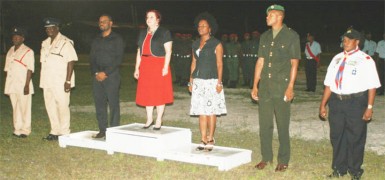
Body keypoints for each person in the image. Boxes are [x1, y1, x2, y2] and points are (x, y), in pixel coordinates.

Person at [319, 29, 381, 179]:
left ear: (357, 42)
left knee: (355, 137)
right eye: (344, 39)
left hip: (356, 102)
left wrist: (369, 107)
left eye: (349, 39)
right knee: (337, 136)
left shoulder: (365, 60)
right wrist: (323, 104)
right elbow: (329, 84)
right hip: (336, 101)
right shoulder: (336, 59)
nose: (345, 41)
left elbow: (372, 85)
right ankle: (339, 169)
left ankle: (355, 170)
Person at [250, 4, 301, 172]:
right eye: (267, 15)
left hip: (282, 87)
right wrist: (255, 84)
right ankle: (266, 157)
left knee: (282, 125)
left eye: (270, 15)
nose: (266, 17)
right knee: (265, 125)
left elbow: (294, 63)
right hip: (265, 87)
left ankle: (283, 159)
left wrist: (290, 87)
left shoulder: (291, 36)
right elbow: (261, 62)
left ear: (280, 16)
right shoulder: (264, 36)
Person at [189, 12, 227, 151]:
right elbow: (193, 62)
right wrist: (191, 81)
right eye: (199, 26)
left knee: (211, 111)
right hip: (198, 81)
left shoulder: (216, 44)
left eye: (204, 26)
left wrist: (219, 82)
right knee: (201, 111)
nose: (201, 28)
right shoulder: (194, 43)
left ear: (210, 28)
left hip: (212, 80)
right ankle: (203, 138)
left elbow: (219, 64)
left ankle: (211, 138)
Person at [134, 9, 173, 130]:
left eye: (151, 17)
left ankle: (159, 119)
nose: (148, 19)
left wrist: (165, 67)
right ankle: (149, 118)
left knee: (159, 94)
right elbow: (139, 51)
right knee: (147, 94)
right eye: (147, 17)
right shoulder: (142, 33)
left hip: (158, 64)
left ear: (157, 19)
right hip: (145, 65)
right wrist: (137, 68)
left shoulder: (164, 32)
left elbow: (168, 51)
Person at [40, 18, 78, 141]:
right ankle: (54, 131)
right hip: (47, 80)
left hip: (61, 81)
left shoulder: (65, 42)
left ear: (57, 28)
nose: (49, 30)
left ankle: (64, 132)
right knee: (50, 106)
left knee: (62, 106)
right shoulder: (44, 43)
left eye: (51, 27)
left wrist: (68, 81)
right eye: (47, 28)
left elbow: (71, 61)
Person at [90, 14, 125, 139]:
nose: (101, 23)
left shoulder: (117, 39)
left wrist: (105, 73)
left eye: (104, 21)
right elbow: (92, 59)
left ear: (111, 23)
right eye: (100, 22)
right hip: (97, 77)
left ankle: (114, 130)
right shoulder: (96, 39)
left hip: (111, 76)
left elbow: (118, 59)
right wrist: (96, 73)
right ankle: (102, 130)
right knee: (99, 104)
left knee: (113, 104)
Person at [4, 27, 34, 138]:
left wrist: (27, 85)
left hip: (23, 84)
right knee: (15, 106)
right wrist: (7, 85)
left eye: (18, 36)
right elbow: (7, 69)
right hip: (12, 84)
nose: (15, 38)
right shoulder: (10, 50)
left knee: (24, 107)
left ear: (23, 38)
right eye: (14, 36)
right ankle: (17, 129)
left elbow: (30, 69)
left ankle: (25, 130)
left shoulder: (28, 51)